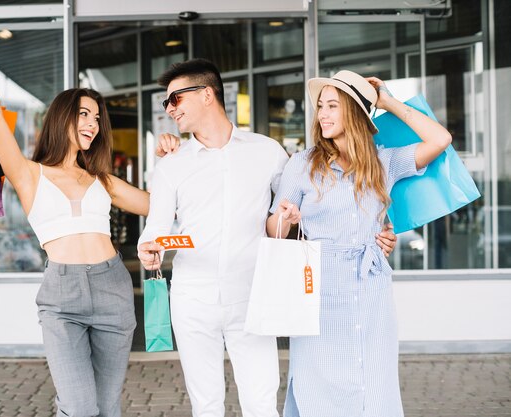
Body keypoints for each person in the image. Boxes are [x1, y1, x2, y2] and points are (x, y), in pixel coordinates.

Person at [137, 59, 399, 417]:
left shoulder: (268, 152)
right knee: (206, 404)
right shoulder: (171, 164)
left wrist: (375, 232)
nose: (169, 109)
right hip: (192, 297)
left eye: (175, 100)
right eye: (167, 102)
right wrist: (149, 250)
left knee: (261, 402)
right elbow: (155, 229)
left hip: (253, 295)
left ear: (207, 95)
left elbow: (312, 204)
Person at [0, 49, 151, 417]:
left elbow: (157, 206)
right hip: (62, 297)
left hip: (113, 288)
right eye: (83, 114)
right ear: (62, 116)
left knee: (107, 406)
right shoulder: (29, 174)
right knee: (79, 406)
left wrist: (173, 158)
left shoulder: (102, 180)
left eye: (96, 117)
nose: (93, 123)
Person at [267, 70, 452, 417]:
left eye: (333, 105)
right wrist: (288, 220)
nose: (322, 113)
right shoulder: (303, 164)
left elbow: (440, 139)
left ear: (355, 111)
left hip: (371, 288)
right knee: (318, 383)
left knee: (373, 381)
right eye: (320, 106)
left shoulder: (383, 163)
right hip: (318, 289)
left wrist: (386, 102)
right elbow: (272, 225)